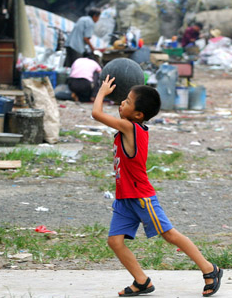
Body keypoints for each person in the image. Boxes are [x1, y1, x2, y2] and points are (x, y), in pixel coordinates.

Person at [92, 76, 223, 297]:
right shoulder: (129, 126)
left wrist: (102, 92)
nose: (121, 103)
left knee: (170, 235)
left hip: (141, 196)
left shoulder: (130, 128)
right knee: (115, 241)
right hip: (124, 198)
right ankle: (142, 281)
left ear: (138, 115)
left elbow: (96, 114)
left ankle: (210, 269)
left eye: (127, 101)